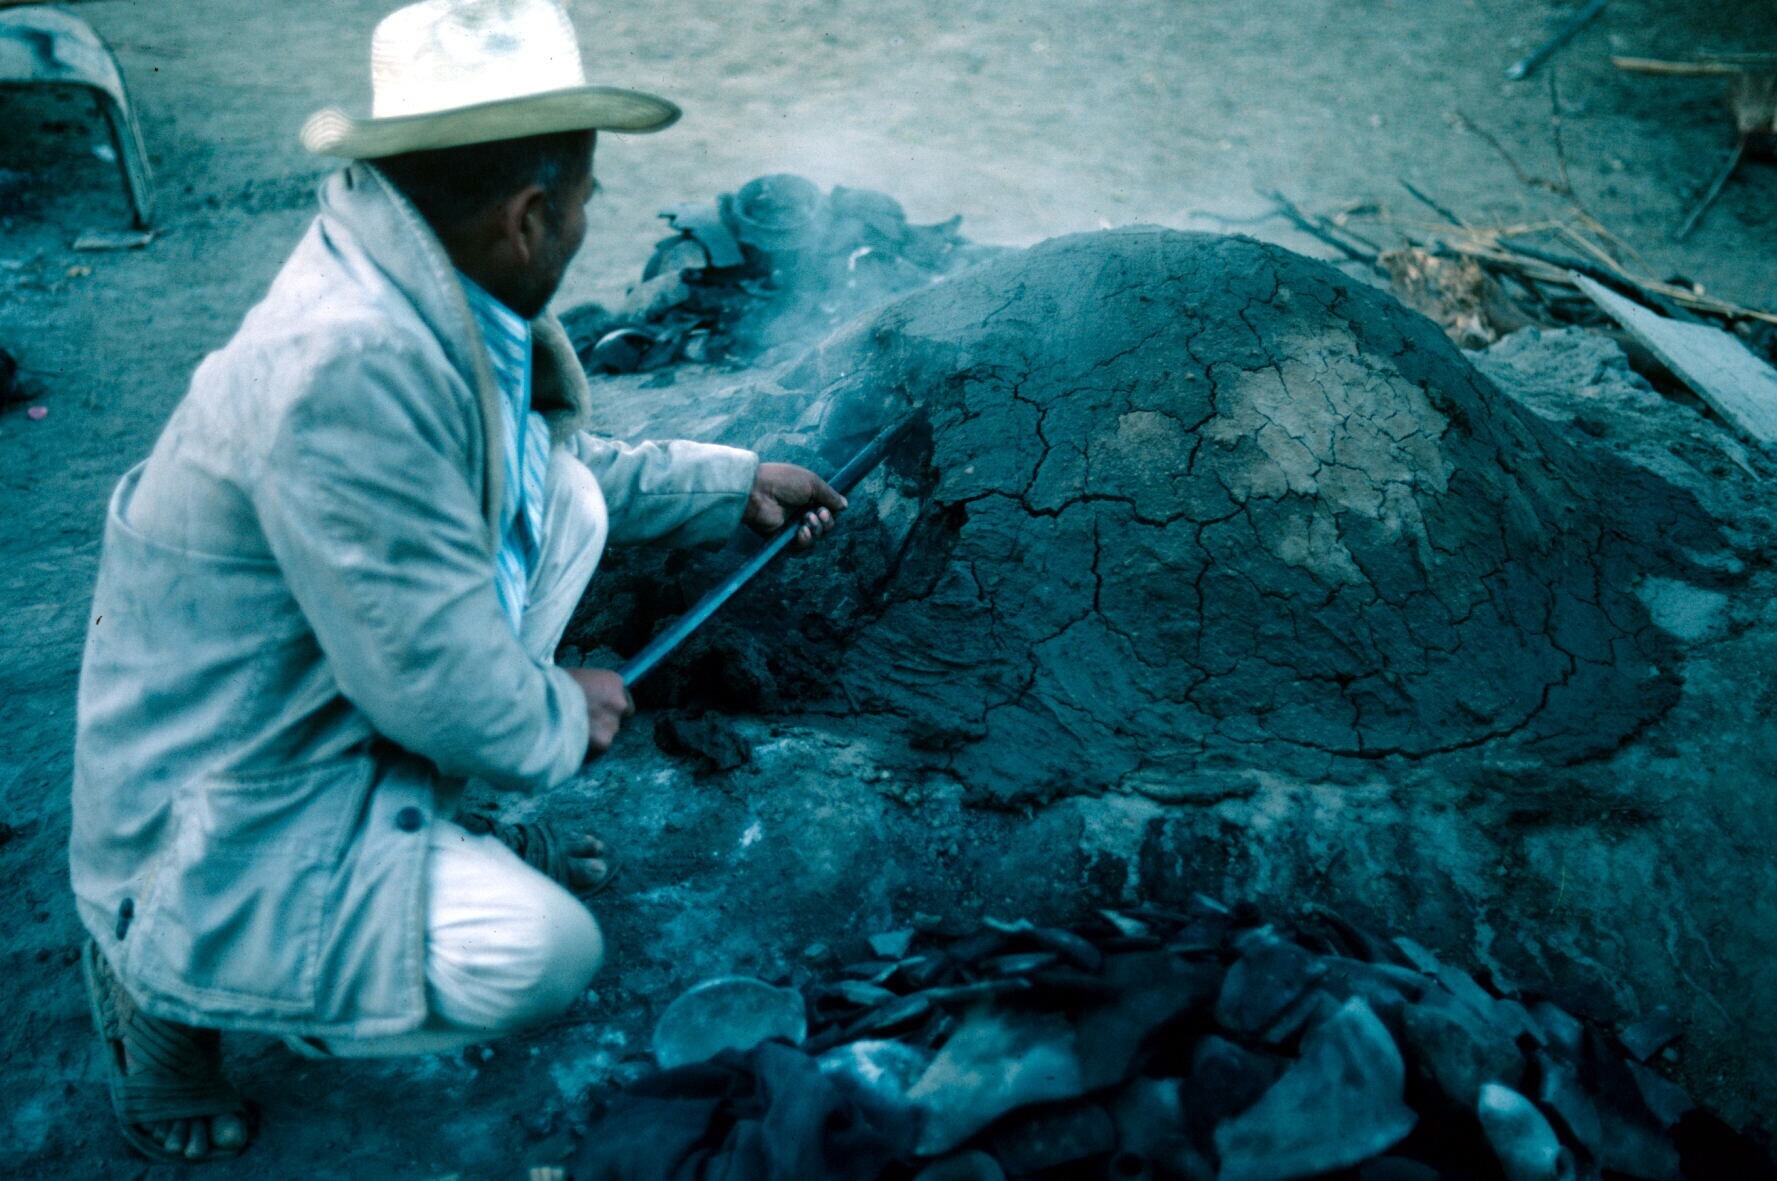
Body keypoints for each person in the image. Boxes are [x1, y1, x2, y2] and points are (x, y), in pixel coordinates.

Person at [69, 0, 844, 1163]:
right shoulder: (347, 374)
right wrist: (557, 713)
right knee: (534, 951)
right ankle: (161, 983)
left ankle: (442, 826)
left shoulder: (427, 280)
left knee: (569, 503)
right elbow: (431, 678)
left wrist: (729, 481)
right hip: (215, 790)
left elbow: (544, 467)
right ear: (529, 216)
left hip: (320, 692)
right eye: (584, 204)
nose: (585, 222)